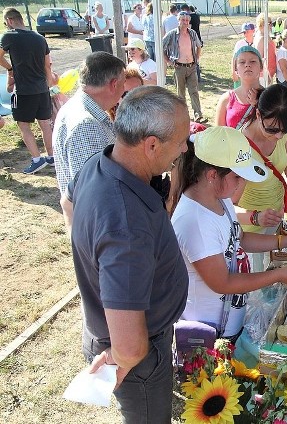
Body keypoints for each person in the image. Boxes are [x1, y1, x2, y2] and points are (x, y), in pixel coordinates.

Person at [72, 86, 189, 423]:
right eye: (180, 141)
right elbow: (130, 345)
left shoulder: (101, 162)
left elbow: (69, 201)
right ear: (151, 144)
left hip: (124, 334)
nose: (183, 149)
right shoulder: (125, 225)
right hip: (139, 356)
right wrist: (123, 356)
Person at [170, 127, 287, 341]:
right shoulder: (195, 221)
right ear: (212, 175)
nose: (242, 184)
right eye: (238, 177)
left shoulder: (220, 200)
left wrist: (286, 241)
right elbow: (223, 283)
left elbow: (241, 239)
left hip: (232, 321)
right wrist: (278, 275)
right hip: (209, 333)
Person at [235, 84, 287, 233]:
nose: (279, 136)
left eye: (285, 130)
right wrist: (255, 217)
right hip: (248, 231)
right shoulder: (240, 146)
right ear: (258, 115)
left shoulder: (283, 131)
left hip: (276, 222)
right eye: (272, 129)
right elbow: (225, 206)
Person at [53, 52, 125, 203]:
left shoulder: (79, 109)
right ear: (114, 84)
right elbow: (92, 192)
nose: (124, 89)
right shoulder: (86, 126)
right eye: (123, 83)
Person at [0, 8, 54, 174]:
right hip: (42, 89)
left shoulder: (9, 36)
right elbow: (47, 66)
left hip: (23, 90)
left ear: (9, 21)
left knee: (23, 126)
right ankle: (51, 157)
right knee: (45, 124)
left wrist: (10, 68)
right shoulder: (39, 38)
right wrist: (50, 88)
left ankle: (37, 159)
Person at [162, 11, 206, 123]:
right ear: (178, 21)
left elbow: (199, 46)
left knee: (194, 91)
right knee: (180, 94)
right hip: (179, 67)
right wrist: (169, 62)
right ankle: (183, 115)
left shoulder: (192, 33)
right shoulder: (172, 34)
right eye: (183, 20)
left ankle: (198, 114)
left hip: (191, 67)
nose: (185, 22)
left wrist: (196, 58)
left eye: (187, 20)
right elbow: (161, 48)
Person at [216, 46, 263, 129]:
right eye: (242, 62)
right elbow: (218, 134)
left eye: (252, 61)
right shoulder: (226, 99)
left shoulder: (271, 97)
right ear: (236, 70)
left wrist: (260, 105)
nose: (247, 65)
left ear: (261, 67)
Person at [232, 22, 256, 88]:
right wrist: (234, 72)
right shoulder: (239, 44)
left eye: (247, 32)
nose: (245, 34)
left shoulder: (257, 42)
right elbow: (234, 58)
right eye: (244, 32)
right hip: (240, 72)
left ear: (253, 31)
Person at [254, 13, 277, 81]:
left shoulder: (267, 36)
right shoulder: (261, 38)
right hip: (264, 76)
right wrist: (265, 74)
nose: (271, 25)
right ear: (262, 24)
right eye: (269, 23)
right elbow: (259, 58)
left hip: (269, 73)